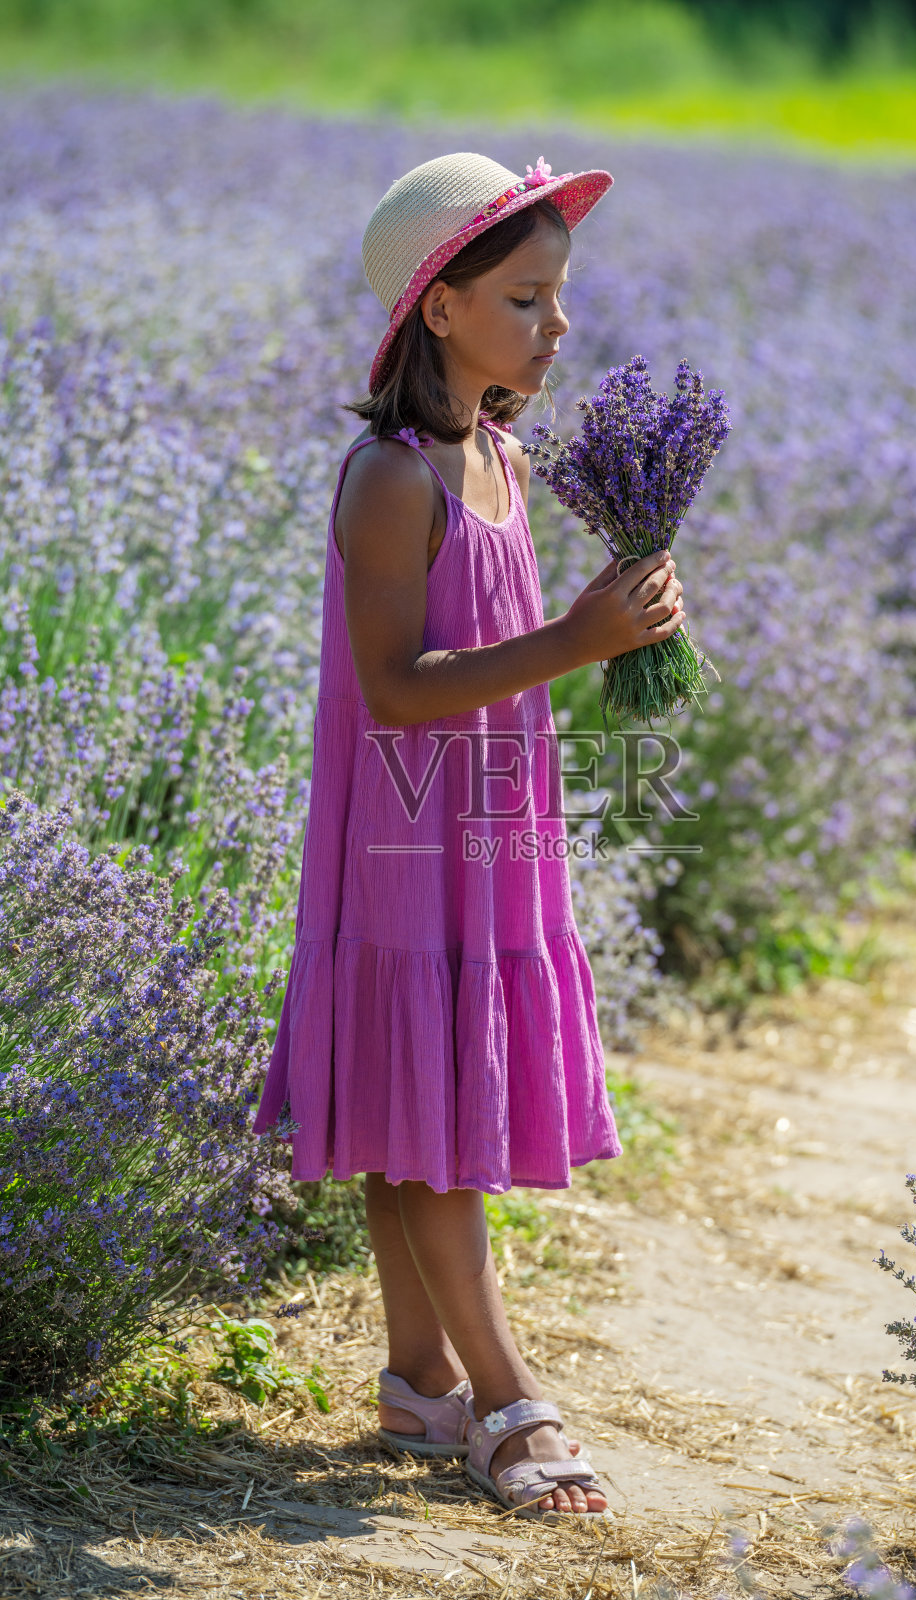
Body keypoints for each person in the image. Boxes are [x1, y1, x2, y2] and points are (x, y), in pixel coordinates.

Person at [253, 151, 686, 1520]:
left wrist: (620, 622)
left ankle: (419, 1380)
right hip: (401, 836)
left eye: (558, 296)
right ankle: (508, 1398)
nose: (557, 325)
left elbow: (499, 647)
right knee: (431, 1105)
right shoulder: (390, 479)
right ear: (439, 309)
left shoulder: (498, 456)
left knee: (416, 1092)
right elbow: (393, 690)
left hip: (485, 826)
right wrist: (574, 639)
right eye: (524, 298)